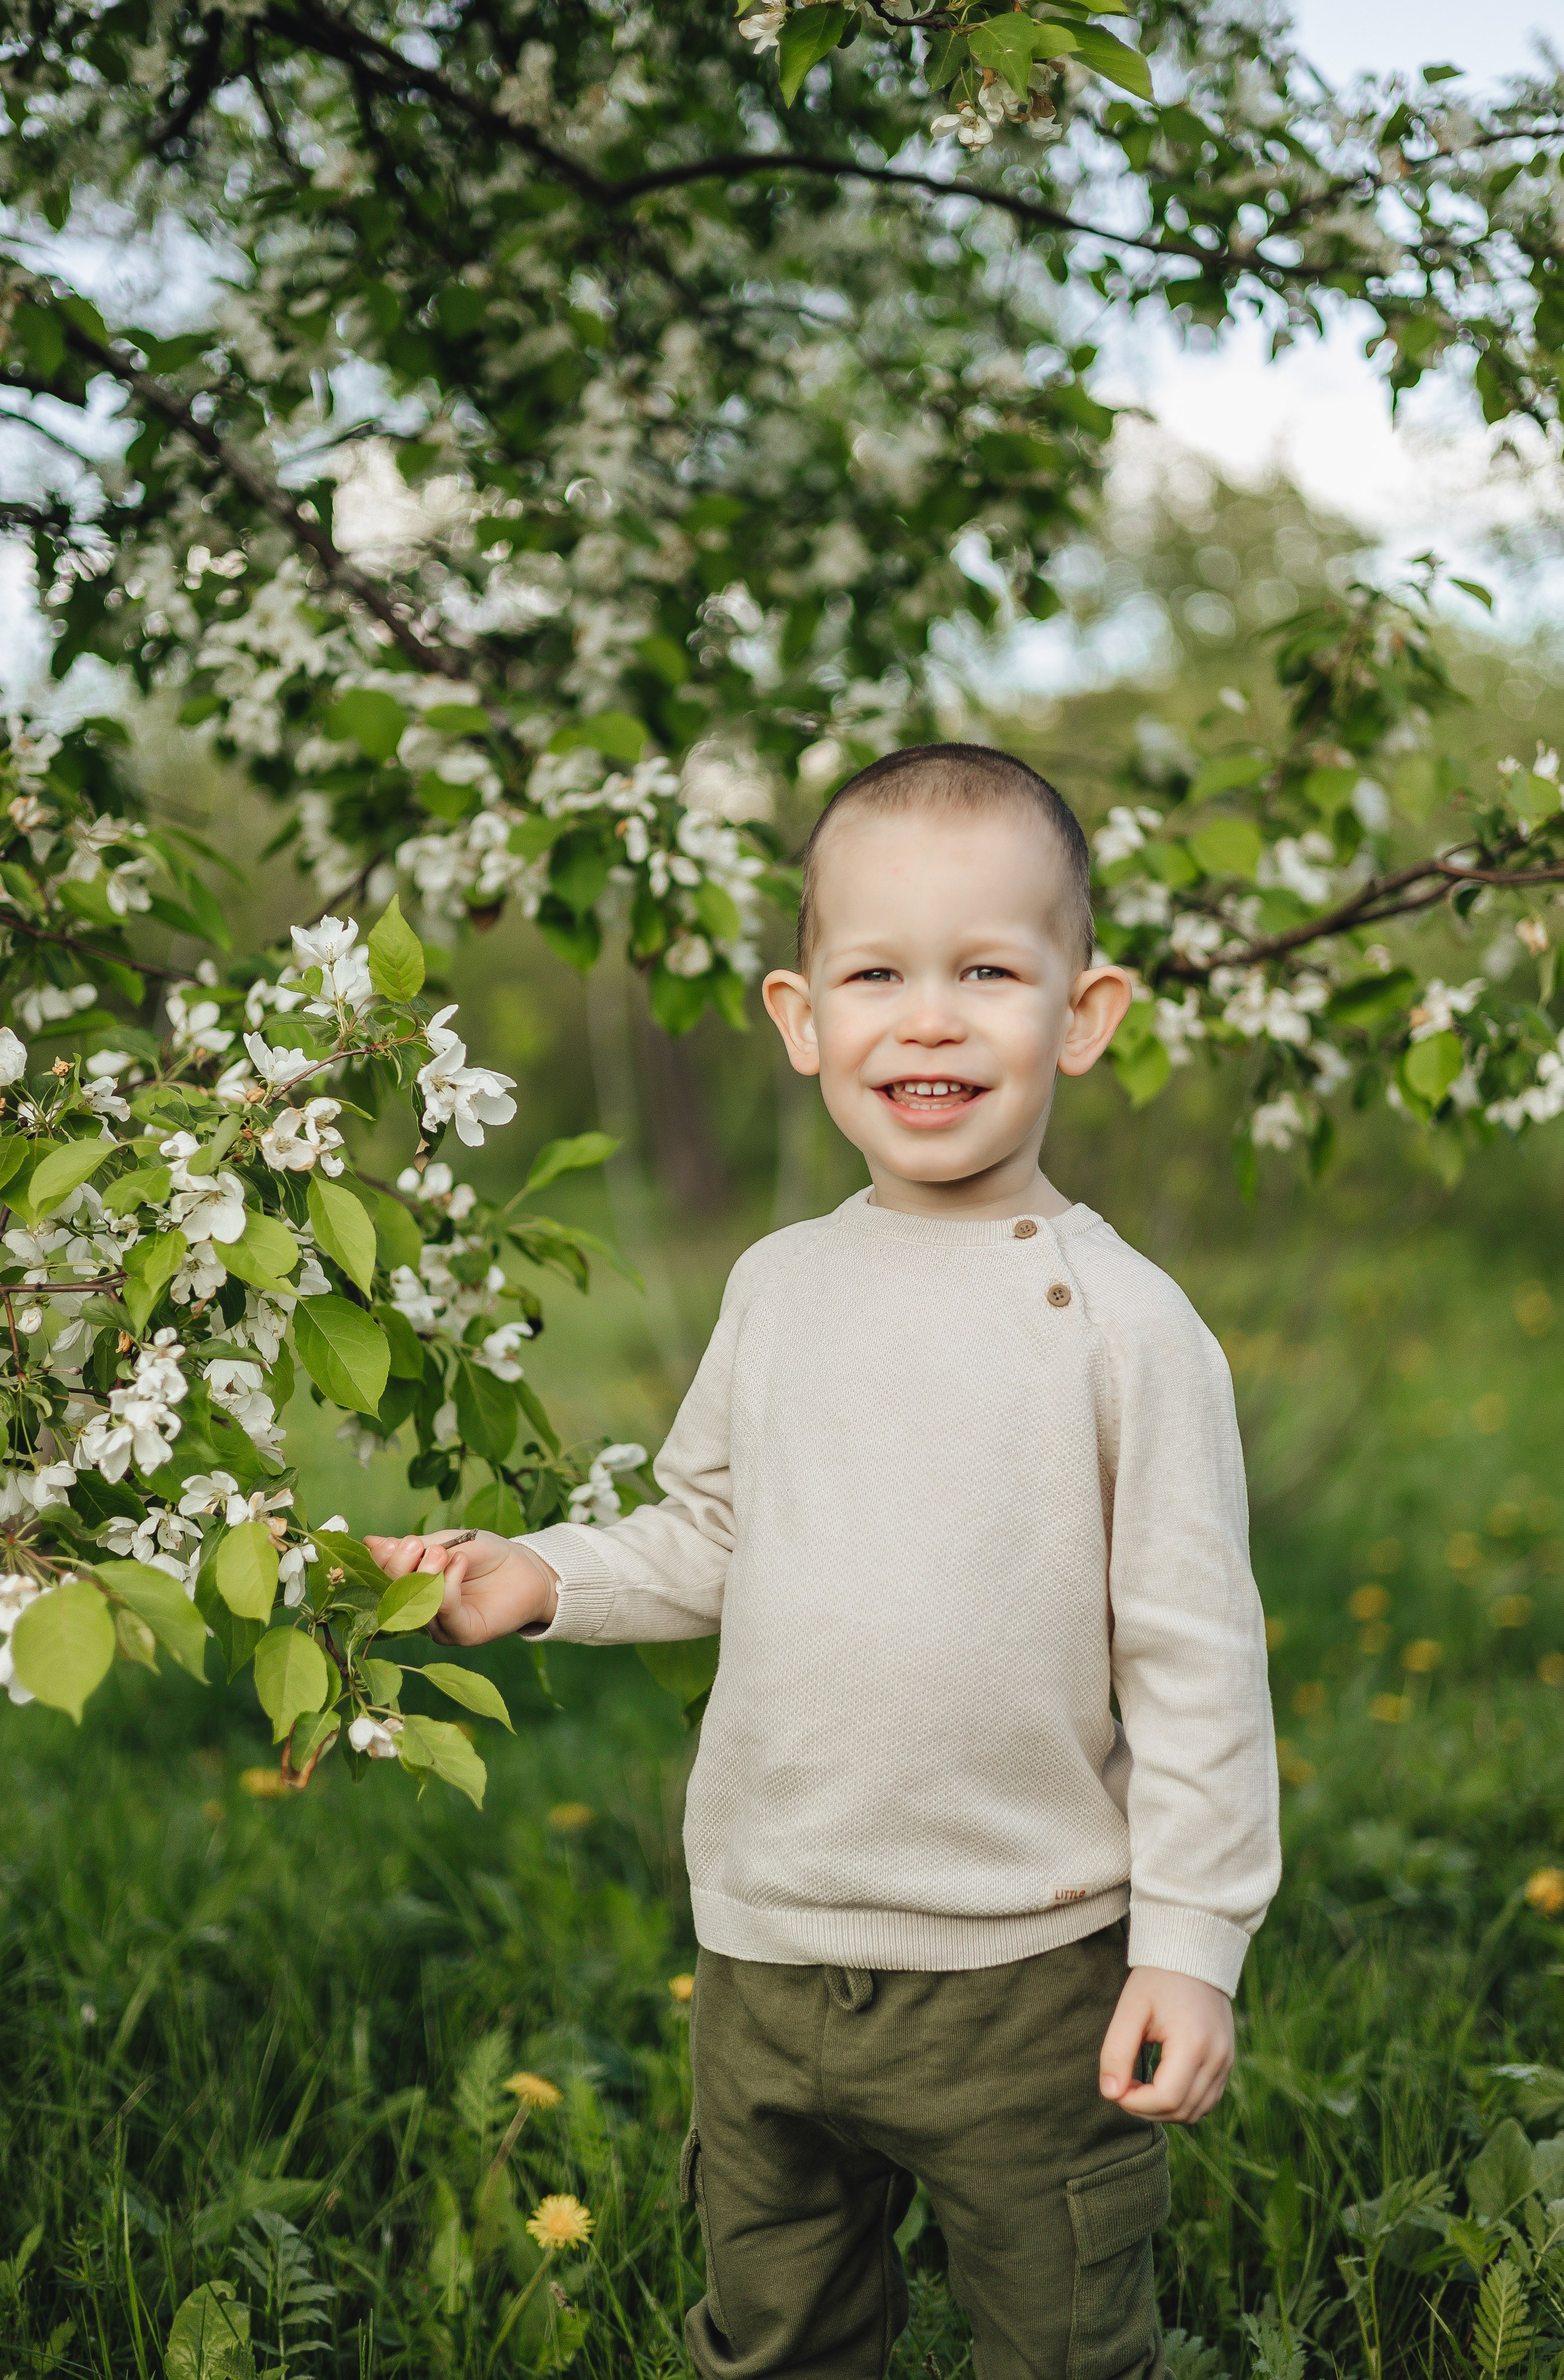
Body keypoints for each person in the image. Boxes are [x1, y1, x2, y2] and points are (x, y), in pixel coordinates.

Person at [367, 743, 1281, 2380]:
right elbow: (715, 1528)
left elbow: (1197, 1657)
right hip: (766, 1953)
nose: (930, 1021)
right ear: (803, 1021)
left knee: (1066, 2332)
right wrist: (545, 1577)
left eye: (990, 972)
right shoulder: (781, 1286)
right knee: (776, 2325)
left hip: (1025, 1977)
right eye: (879, 975)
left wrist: (1189, 1947)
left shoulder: (1129, 1327)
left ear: (1084, 1014)